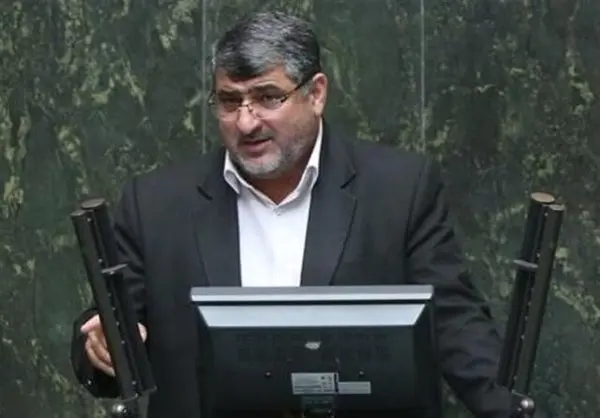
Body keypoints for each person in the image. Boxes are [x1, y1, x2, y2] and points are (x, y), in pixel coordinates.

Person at [70, 9, 512, 418]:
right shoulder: (156, 205)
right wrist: (103, 348)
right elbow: (106, 332)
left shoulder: (398, 191)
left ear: (316, 94)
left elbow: (457, 327)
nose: (246, 122)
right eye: (229, 101)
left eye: (267, 97)